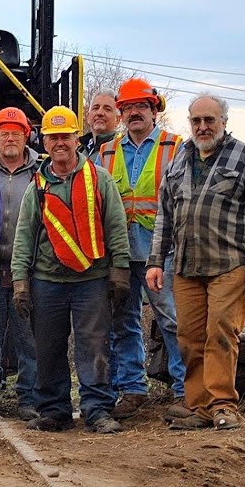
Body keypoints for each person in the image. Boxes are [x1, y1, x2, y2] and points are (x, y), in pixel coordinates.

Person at [147, 94, 245, 431]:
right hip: (186, 266)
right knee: (188, 336)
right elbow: (165, 214)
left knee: (220, 332)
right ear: (189, 123)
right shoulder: (179, 159)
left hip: (230, 263)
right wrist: (155, 261)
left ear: (224, 122)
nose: (203, 127)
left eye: (210, 120)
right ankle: (199, 406)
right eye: (196, 121)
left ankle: (223, 406)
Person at [11, 106, 131, 434]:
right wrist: (20, 281)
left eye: (65, 136)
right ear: (44, 142)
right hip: (47, 281)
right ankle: (55, 411)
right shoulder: (37, 185)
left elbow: (116, 226)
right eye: (53, 137)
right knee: (47, 348)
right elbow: (24, 236)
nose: (59, 143)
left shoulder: (98, 179)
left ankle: (97, 410)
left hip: (91, 281)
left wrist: (120, 272)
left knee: (93, 345)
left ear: (77, 139)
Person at [95, 79, 190, 423]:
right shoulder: (106, 152)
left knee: (172, 320)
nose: (134, 113)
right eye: (128, 108)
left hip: (159, 253)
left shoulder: (176, 147)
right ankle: (132, 389)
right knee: (124, 322)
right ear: (121, 114)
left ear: (154, 110)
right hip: (119, 253)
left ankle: (185, 390)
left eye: (141, 107)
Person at [0, 107, 40, 421]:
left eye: (16, 132)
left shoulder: (39, 172)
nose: (10, 138)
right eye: (4, 133)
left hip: (28, 273)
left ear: (26, 135)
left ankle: (28, 400)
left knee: (27, 340)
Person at [82, 91, 121, 159]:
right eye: (96, 108)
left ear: (117, 119)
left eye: (107, 109)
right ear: (88, 117)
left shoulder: (123, 149)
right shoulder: (78, 151)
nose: (100, 113)